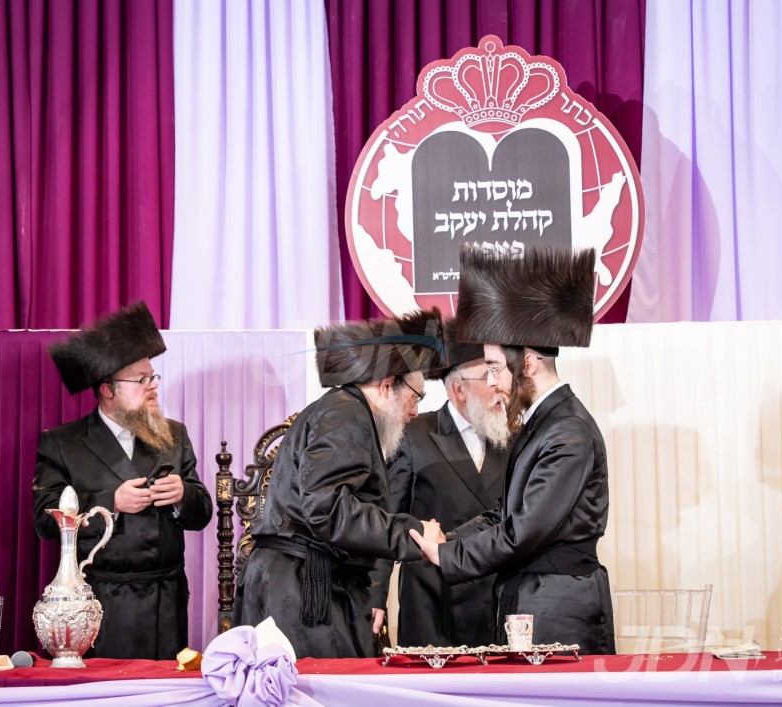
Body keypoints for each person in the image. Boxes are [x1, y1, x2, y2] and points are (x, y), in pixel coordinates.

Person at [410, 247, 616, 654]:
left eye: (494, 368)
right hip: (535, 601)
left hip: (559, 610)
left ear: (529, 364)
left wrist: (448, 555)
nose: (490, 381)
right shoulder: (541, 425)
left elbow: (521, 532)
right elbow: (504, 513)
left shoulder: (568, 433)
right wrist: (447, 539)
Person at [238, 308, 447, 659]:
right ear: (387, 385)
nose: (415, 411)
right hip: (304, 590)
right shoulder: (346, 413)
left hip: (303, 581)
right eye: (417, 397)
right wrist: (413, 533)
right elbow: (326, 508)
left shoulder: (343, 409)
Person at [32, 302, 212, 659]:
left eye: (153, 377)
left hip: (165, 600)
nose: (152, 387)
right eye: (141, 380)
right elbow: (44, 519)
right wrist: (110, 501)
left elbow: (202, 512)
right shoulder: (63, 442)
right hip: (100, 602)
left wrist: (183, 495)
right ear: (107, 390)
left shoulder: (173, 435)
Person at [384, 319, 510, 648]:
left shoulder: (512, 437)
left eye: (499, 373)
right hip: (432, 605)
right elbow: (387, 522)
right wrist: (374, 597)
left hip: (496, 603)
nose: (499, 385)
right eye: (488, 375)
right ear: (458, 389)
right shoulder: (413, 435)